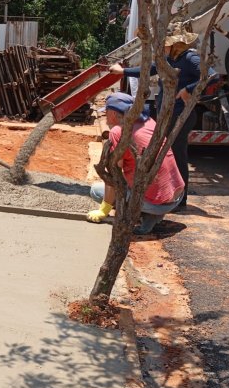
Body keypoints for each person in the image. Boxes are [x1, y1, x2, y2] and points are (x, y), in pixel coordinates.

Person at [108, 29, 216, 210]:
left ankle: (180, 201)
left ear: (175, 44)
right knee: (165, 153)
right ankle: (163, 195)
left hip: (181, 115)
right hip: (168, 113)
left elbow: (212, 76)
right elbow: (150, 69)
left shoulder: (190, 59)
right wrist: (124, 71)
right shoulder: (170, 59)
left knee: (177, 155)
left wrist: (188, 89)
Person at [86, 93, 185, 235]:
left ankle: (146, 214)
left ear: (113, 113)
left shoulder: (118, 131)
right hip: (176, 196)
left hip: (155, 203)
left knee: (96, 190)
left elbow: (114, 175)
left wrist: (104, 209)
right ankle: (150, 215)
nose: (105, 117)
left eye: (106, 112)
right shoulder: (150, 122)